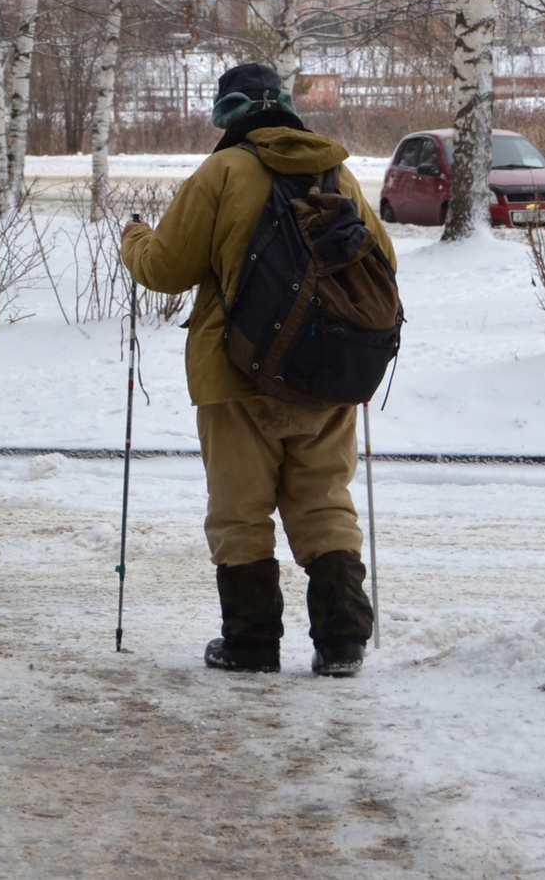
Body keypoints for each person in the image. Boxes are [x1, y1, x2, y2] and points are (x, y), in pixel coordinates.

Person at [120, 62, 393, 677]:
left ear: (229, 114)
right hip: (326, 376)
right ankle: (342, 640)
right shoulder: (336, 171)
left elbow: (166, 269)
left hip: (235, 374)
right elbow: (385, 262)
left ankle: (250, 643)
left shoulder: (222, 171)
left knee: (240, 511)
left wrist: (134, 239)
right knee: (324, 503)